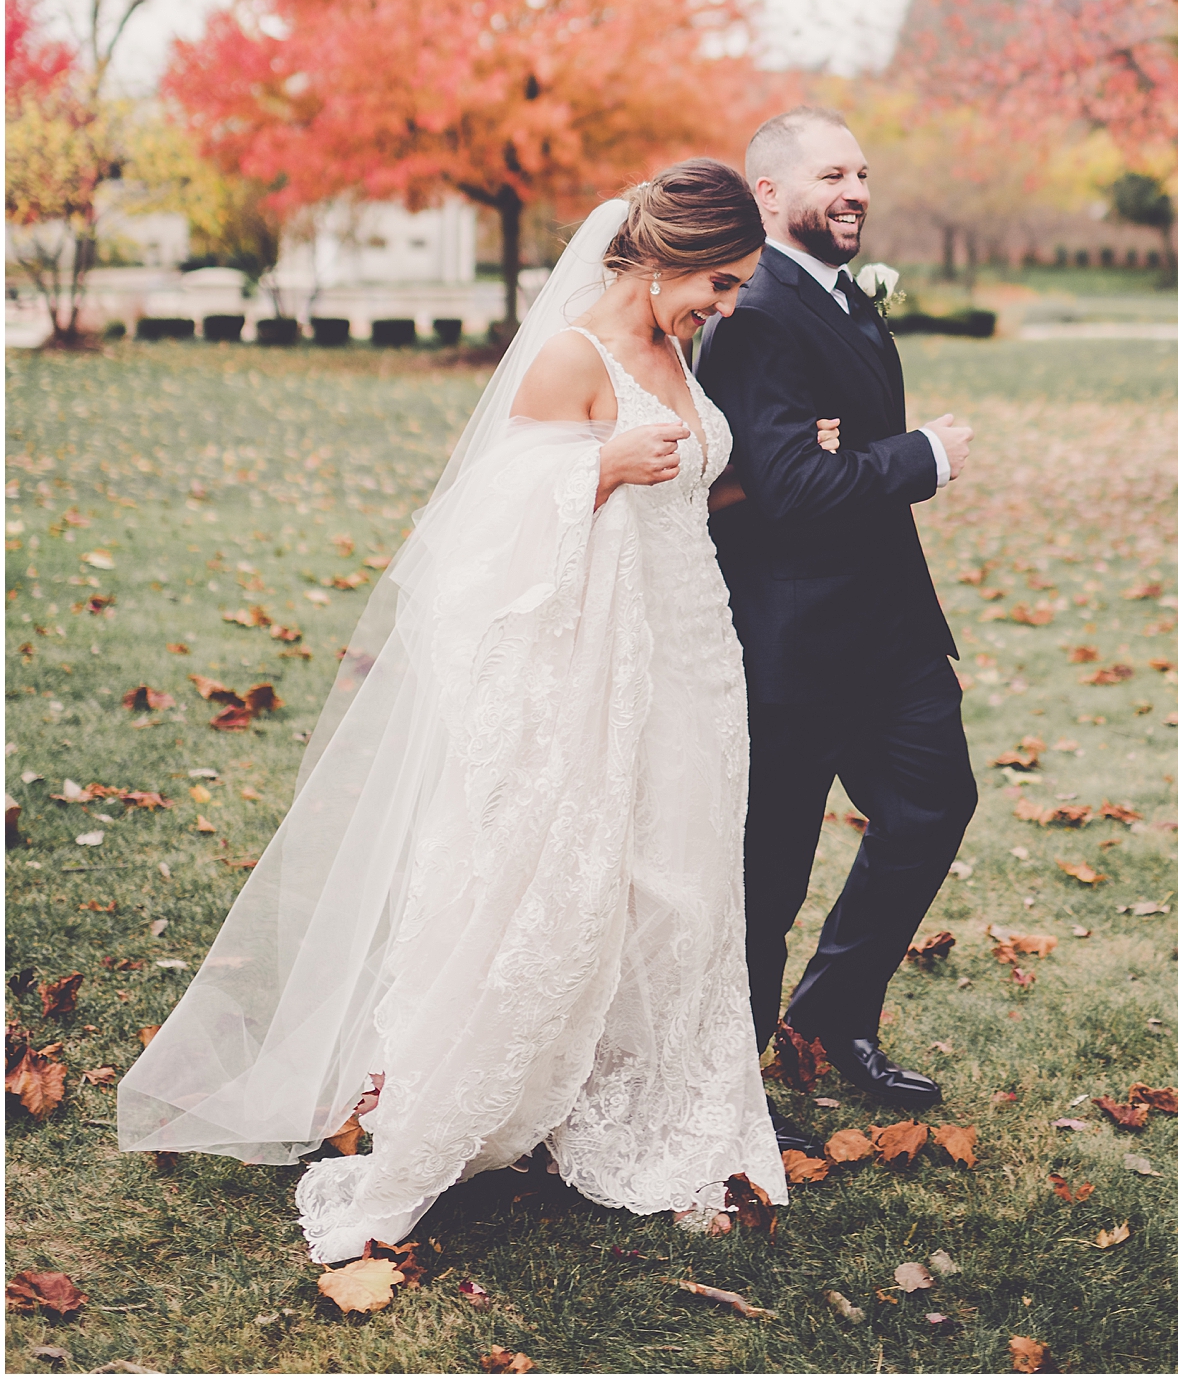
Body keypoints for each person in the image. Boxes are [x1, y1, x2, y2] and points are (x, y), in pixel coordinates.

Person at [119, 161, 828, 1262]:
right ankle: (501, 1108)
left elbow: (690, 488)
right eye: (721, 284)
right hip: (601, 671)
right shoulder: (568, 357)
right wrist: (597, 467)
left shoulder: (677, 349)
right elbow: (477, 539)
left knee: (686, 888)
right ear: (671, 254)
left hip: (697, 659)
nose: (724, 308)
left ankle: (669, 1122)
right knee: (584, 882)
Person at [696, 106, 978, 1139]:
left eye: (861, 171)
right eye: (831, 174)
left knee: (933, 805)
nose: (855, 190)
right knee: (766, 877)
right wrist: (924, 457)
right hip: (790, 644)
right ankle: (726, 1088)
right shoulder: (756, 308)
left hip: (890, 634)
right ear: (768, 193)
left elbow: (825, 463)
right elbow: (784, 491)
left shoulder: (845, 295)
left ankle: (830, 1016)